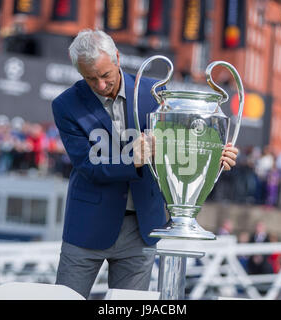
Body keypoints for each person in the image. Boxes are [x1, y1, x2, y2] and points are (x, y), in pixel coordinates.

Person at [51, 29, 239, 299]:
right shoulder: (65, 105)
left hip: (142, 228)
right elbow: (88, 166)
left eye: (105, 75)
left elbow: (182, 147)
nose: (101, 86)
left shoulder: (156, 95)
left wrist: (216, 156)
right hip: (86, 229)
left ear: (117, 58)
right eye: (90, 79)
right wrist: (132, 159)